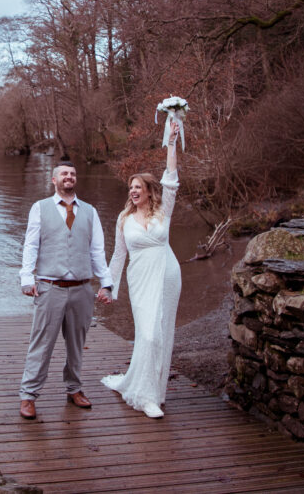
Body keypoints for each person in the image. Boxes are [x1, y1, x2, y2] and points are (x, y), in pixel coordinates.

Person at [18, 160, 113, 420]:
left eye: (72, 173)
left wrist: (106, 283)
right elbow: (31, 245)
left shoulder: (90, 211)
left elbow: (97, 251)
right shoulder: (40, 208)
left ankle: (74, 388)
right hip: (50, 287)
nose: (69, 177)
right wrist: (26, 277)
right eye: (64, 173)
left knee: (76, 344)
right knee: (42, 343)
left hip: (82, 289)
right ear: (54, 180)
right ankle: (29, 394)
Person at [101, 120, 182, 419]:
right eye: (130, 188)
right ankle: (143, 395)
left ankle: (155, 394)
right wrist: (109, 286)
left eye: (138, 187)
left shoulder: (163, 212)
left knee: (163, 333)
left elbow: (171, 180)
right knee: (148, 334)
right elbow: (118, 255)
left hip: (168, 273)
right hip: (140, 278)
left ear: (148, 191)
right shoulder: (124, 219)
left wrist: (171, 142)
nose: (133, 191)